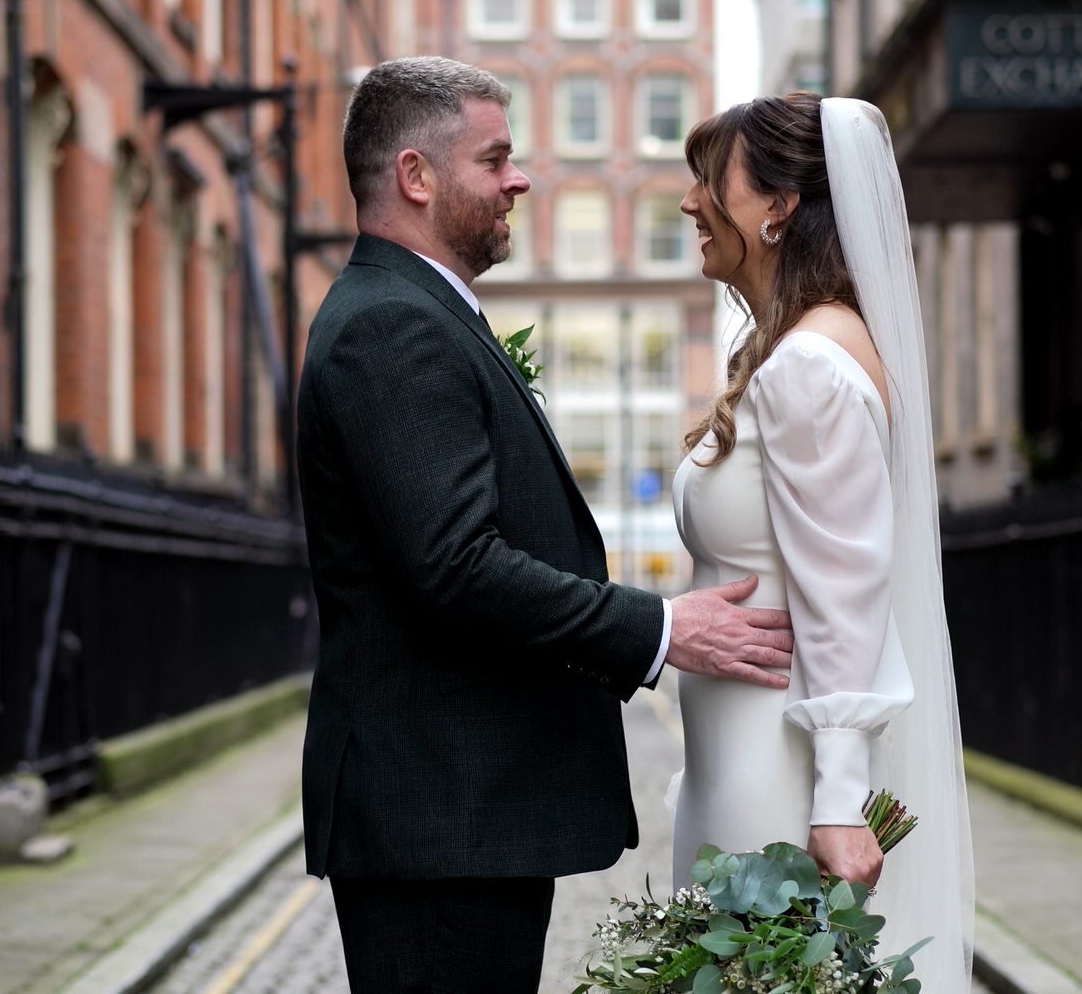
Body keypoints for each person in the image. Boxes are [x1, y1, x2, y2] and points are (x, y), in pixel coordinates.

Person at [294, 55, 796, 993]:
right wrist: (661, 627)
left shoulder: (416, 309)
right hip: (441, 823)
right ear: (415, 175)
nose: (519, 179)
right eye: (495, 159)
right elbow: (456, 566)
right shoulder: (390, 325)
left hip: (463, 819)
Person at [667, 92, 976, 987]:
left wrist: (839, 803)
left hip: (777, 777)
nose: (690, 202)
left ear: (779, 206)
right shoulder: (793, 349)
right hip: (735, 763)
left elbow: (847, 591)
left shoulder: (810, 364)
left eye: (710, 180)